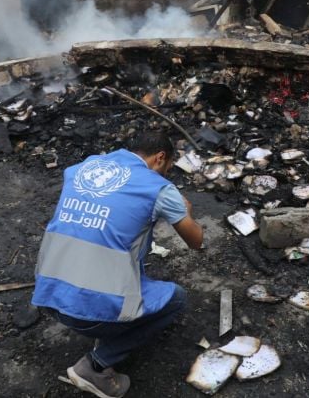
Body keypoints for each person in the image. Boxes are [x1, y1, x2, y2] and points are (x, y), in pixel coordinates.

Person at [32, 132, 204, 398]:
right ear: (160, 158)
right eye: (168, 168)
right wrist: (187, 211)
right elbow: (196, 240)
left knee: (124, 239)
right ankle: (95, 365)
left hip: (49, 294)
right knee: (177, 298)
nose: (166, 174)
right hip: (85, 309)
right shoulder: (158, 187)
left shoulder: (84, 168)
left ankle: (106, 320)